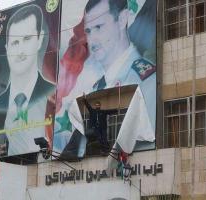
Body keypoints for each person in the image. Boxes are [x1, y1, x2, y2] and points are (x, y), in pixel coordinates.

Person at [54, 0, 156, 158]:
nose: (92, 39)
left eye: (99, 27)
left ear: (122, 19)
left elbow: (147, 145)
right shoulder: (97, 87)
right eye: (88, 31)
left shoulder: (146, 80)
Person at [0, 4, 55, 156]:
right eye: (15, 43)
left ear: (40, 39)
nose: (20, 51)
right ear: (7, 48)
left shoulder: (53, 95)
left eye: (27, 39)